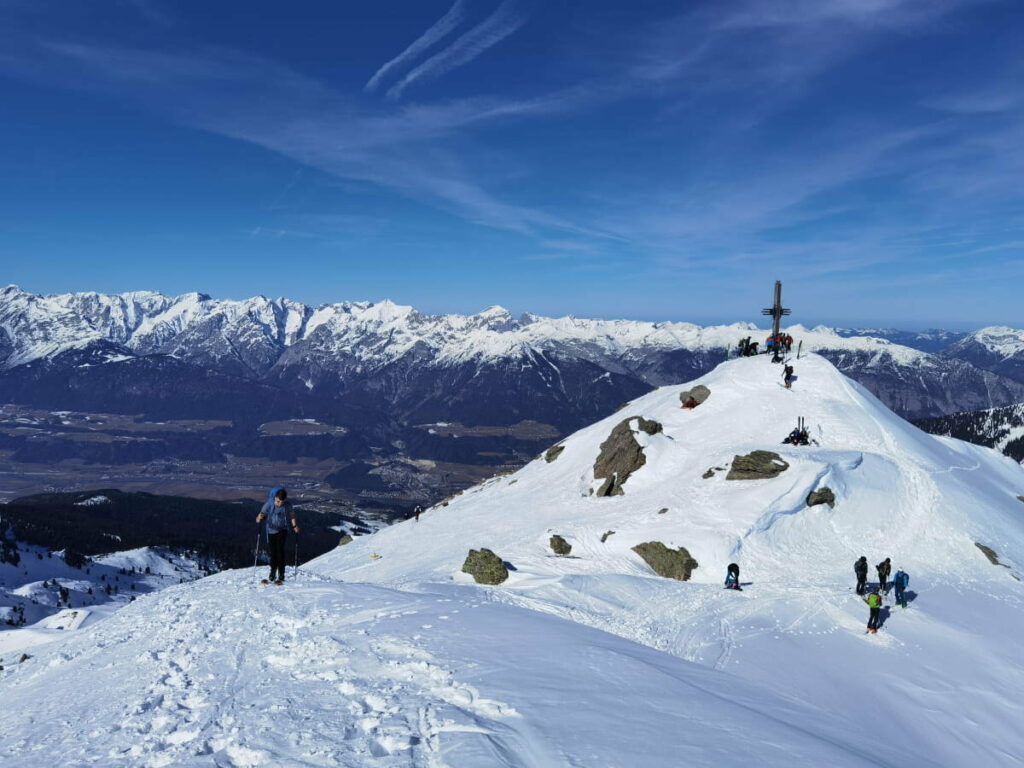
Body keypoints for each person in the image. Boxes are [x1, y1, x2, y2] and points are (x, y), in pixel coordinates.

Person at [256, 488, 299, 585]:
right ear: (275, 498)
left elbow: (292, 515)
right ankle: (272, 572)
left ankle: (281, 573)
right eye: (278, 501)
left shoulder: (287, 505)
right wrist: (259, 518)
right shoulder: (269, 504)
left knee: (280, 550)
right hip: (271, 530)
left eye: (282, 502)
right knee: (273, 552)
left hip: (283, 529)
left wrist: (295, 526)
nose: (279, 504)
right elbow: (260, 516)